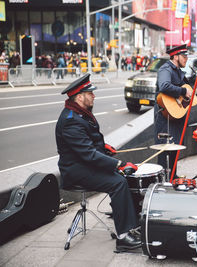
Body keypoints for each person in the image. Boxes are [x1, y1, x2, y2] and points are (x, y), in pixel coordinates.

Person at [55, 74, 141, 252]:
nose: (94, 95)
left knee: (126, 177)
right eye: (90, 93)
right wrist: (118, 164)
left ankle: (130, 222)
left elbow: (88, 144)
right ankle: (124, 237)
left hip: (84, 164)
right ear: (79, 97)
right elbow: (88, 154)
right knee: (118, 182)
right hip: (75, 171)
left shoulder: (80, 113)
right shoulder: (71, 121)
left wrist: (105, 147)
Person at [154, 44, 192, 178]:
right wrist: (183, 91)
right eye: (184, 56)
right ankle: (163, 179)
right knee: (165, 149)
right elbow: (164, 86)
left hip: (175, 116)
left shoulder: (178, 71)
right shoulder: (166, 69)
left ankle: (172, 177)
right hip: (165, 117)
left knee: (174, 148)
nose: (186, 58)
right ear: (175, 56)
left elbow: (185, 93)